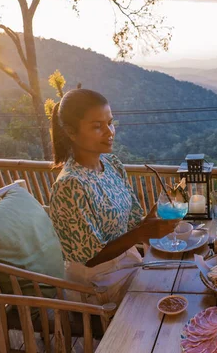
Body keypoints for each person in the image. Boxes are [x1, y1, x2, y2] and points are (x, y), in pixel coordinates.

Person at [49, 89, 178, 303]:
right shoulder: (70, 185)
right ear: (71, 132)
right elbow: (90, 259)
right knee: (166, 301)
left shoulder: (111, 164)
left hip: (130, 264)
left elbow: (133, 224)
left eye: (110, 122)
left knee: (179, 282)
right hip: (97, 284)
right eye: (97, 127)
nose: (109, 132)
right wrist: (140, 234)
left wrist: (152, 220)